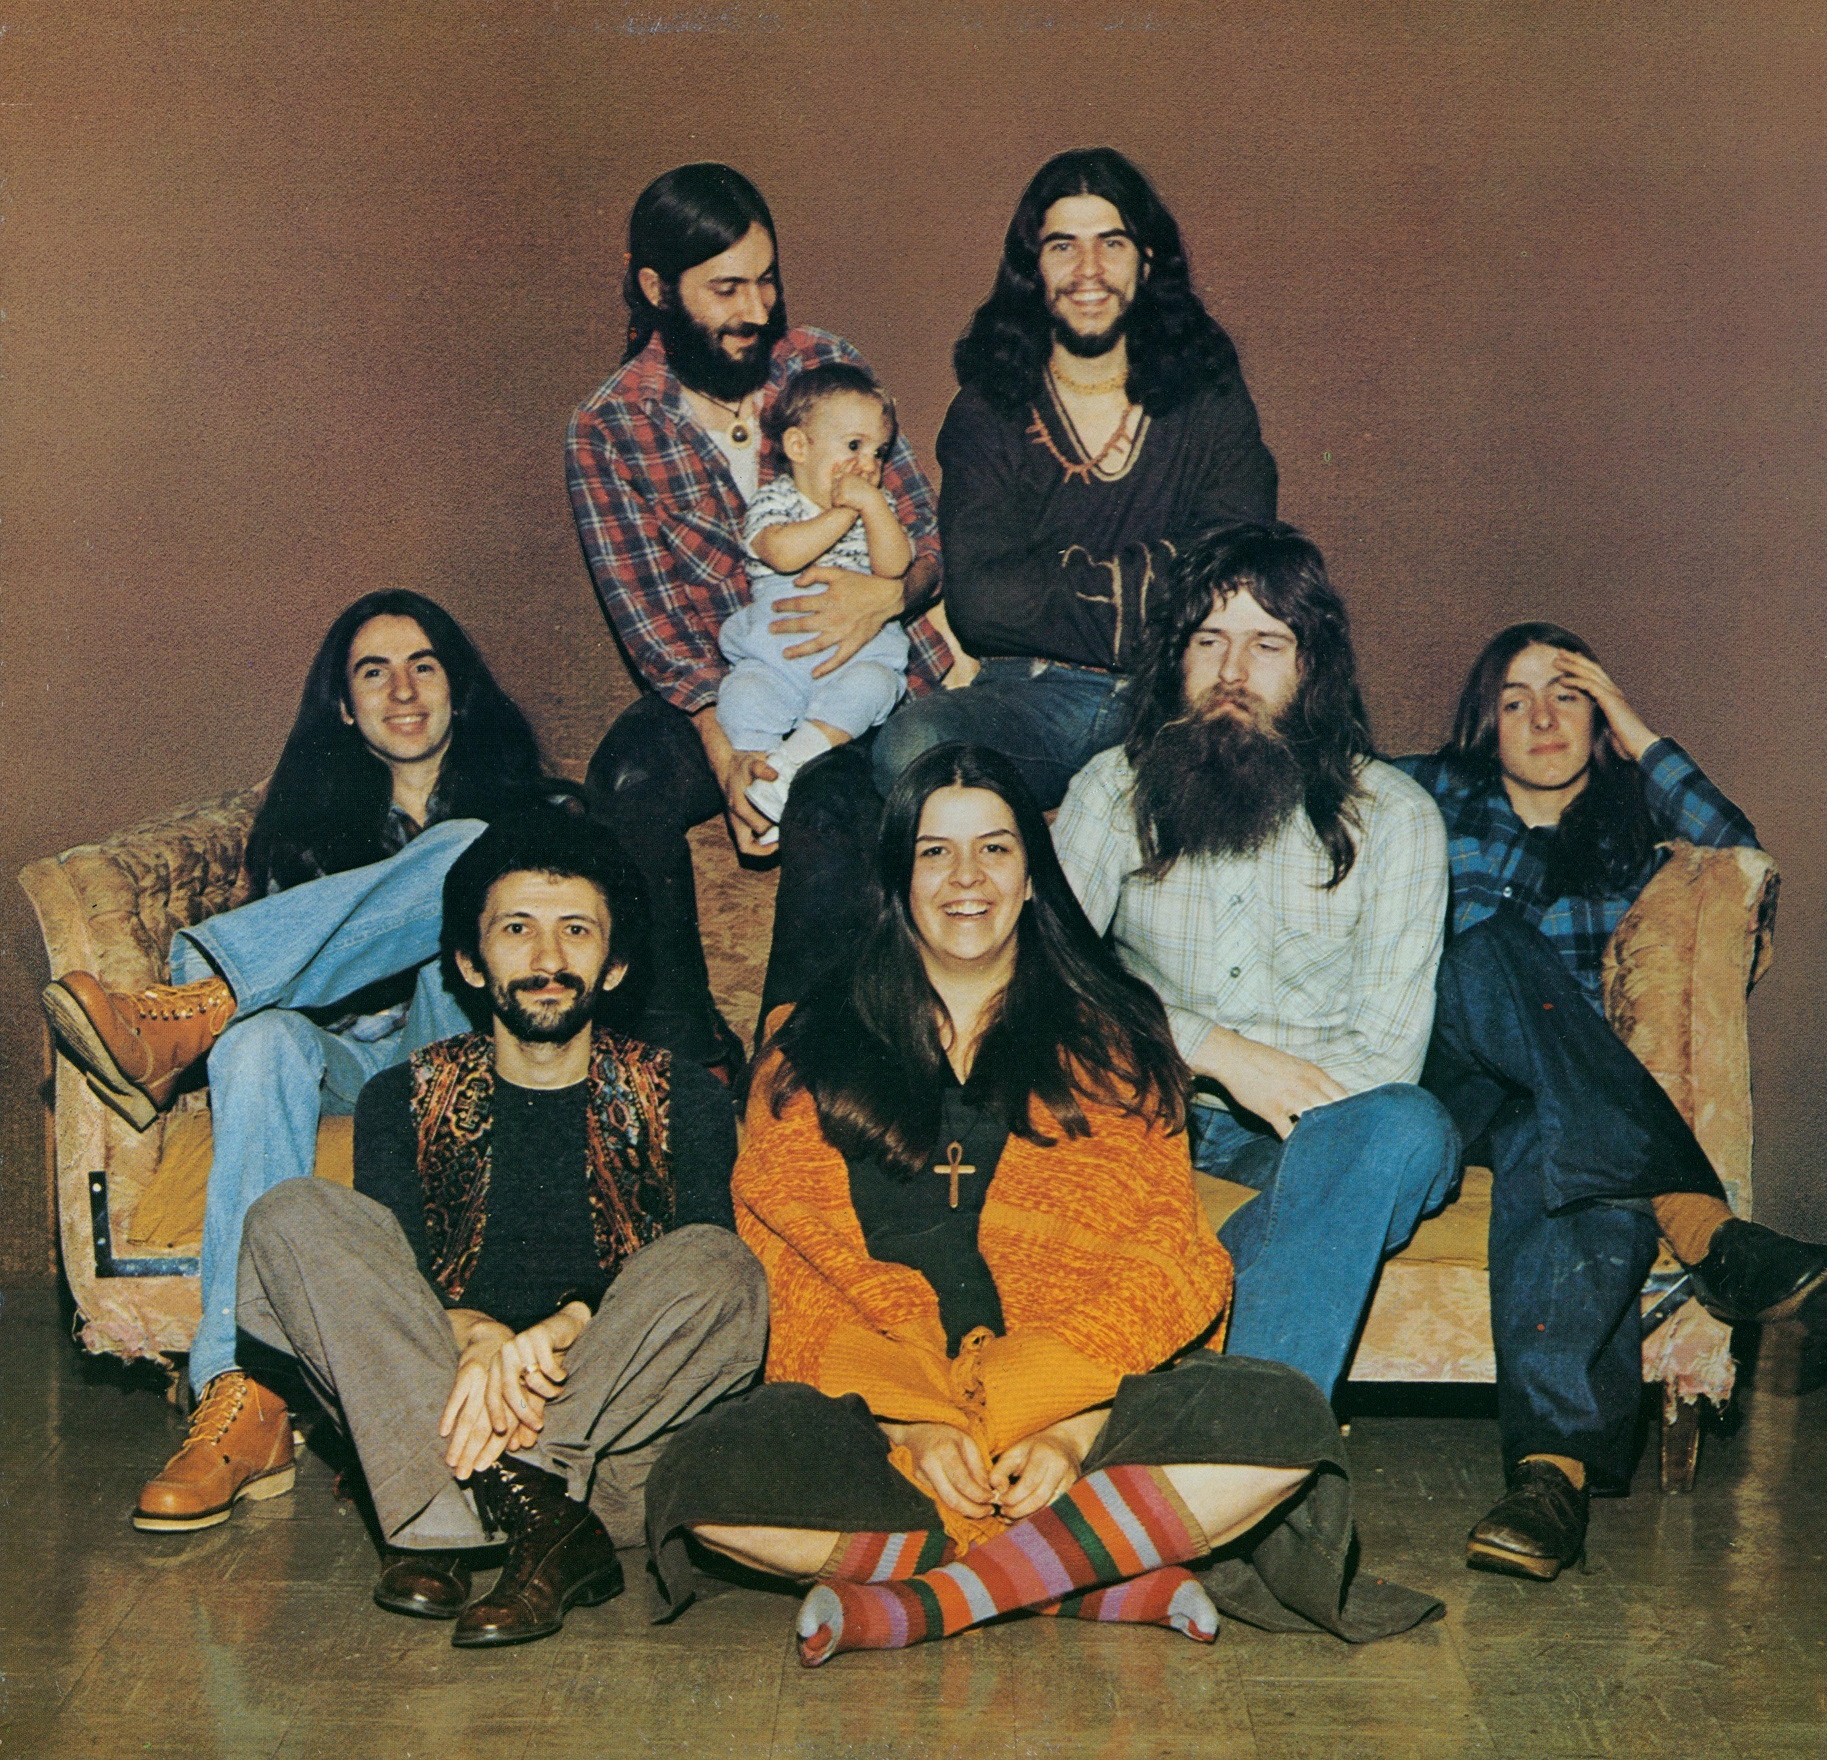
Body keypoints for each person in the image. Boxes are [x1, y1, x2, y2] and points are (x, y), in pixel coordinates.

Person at [642, 744, 1442, 1665]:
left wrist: (1066, 1426)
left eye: (995, 848)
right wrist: (912, 1422)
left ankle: (929, 1594)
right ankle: (1080, 1573)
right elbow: (786, 1260)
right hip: (879, 1411)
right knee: (703, 1478)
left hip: (1078, 1409)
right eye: (934, 852)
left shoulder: (1116, 1041)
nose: (966, 877)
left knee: (1281, 1420)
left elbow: (1167, 1256)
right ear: (897, 880)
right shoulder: (807, 1045)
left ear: (1031, 879)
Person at [39, 590, 568, 1532]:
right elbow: (312, 1007)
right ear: (344, 707)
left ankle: (200, 1001)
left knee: (471, 854)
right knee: (258, 1040)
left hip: (462, 1047)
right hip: (352, 1062)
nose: (401, 690)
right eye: (373, 672)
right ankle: (245, 1395)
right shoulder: (309, 824)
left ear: (459, 687)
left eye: (424, 666)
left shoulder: (541, 813)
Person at [238, 810, 765, 1647]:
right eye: (516, 929)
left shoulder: (682, 1094)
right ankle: (536, 1523)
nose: (547, 958)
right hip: (442, 1404)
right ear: (469, 963)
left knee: (720, 1265)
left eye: (576, 930)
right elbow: (399, 1289)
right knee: (290, 1213)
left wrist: (562, 1327)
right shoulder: (401, 1097)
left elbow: (692, 1274)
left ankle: (447, 1520)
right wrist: (478, 1334)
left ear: (614, 964)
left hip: (603, 1449)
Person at [1395, 623, 1827, 1581]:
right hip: (1437, 1083)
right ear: (1483, 725)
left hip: (1560, 1106)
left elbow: (1740, 858)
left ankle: (1547, 1483)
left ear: (1599, 721)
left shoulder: (1628, 838)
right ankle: (1702, 1224)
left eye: (1569, 695)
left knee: (1570, 1157)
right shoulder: (1430, 796)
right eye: (1514, 700)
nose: (1542, 718)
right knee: (1488, 949)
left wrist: (1633, 725)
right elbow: (1311, 781)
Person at [1054, 525, 1460, 1402]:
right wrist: (1214, 1051)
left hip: (1310, 1135)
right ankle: (1243, 1425)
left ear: (1312, 668)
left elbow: (1388, 1058)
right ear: (1176, 659)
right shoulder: (1108, 791)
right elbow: (1043, 982)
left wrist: (1287, 1106)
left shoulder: (1396, 819)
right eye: (1208, 641)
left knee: (1406, 1128)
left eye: (1266, 645)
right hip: (1138, 1114)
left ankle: (1237, 1417)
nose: (1232, 671)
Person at [568, 163, 948, 1064]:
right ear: (656, 288)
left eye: (766, 280)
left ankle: (794, 1069)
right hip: (737, 672)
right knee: (624, 779)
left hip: (863, 669)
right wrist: (731, 757)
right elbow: (655, 629)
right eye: (725, 288)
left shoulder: (823, 365)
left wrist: (886, 597)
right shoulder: (609, 429)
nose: (754, 308)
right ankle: (679, 1052)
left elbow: (928, 541)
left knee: (829, 803)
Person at [871, 147, 1278, 805]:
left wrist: (1051, 585)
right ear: (1032, 266)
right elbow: (982, 600)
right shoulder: (987, 408)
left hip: (1178, 696)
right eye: (1063, 246)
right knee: (912, 745)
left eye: (1111, 243)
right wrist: (1159, 579)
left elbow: (1233, 568)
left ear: (1147, 260)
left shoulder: (1208, 393)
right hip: (1029, 699)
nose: (1088, 271)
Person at [718, 363, 914, 840]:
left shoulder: (877, 508)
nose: (868, 464)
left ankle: (796, 761)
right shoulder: (775, 501)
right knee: (744, 695)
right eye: (854, 446)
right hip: (778, 651)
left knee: (874, 687)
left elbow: (895, 566)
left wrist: (870, 507)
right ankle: (760, 778)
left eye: (878, 451)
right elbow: (784, 554)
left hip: (856, 651)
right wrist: (845, 511)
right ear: (799, 447)